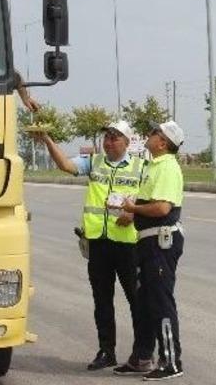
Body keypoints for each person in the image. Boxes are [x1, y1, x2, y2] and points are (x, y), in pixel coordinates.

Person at [32, 120, 150, 370]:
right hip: (98, 243)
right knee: (102, 301)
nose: (109, 142)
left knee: (137, 301)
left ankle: (141, 354)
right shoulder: (94, 162)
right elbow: (66, 165)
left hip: (128, 244)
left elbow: (152, 198)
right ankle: (106, 351)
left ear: (127, 142)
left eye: (115, 137)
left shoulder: (141, 167)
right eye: (107, 137)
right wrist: (48, 141)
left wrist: (134, 213)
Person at [111, 120, 186, 381]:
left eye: (155, 132)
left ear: (163, 142)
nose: (150, 135)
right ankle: (142, 357)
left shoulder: (167, 167)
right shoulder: (153, 165)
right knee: (144, 303)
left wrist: (133, 209)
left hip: (160, 243)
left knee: (160, 302)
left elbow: (162, 208)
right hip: (146, 242)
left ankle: (171, 362)